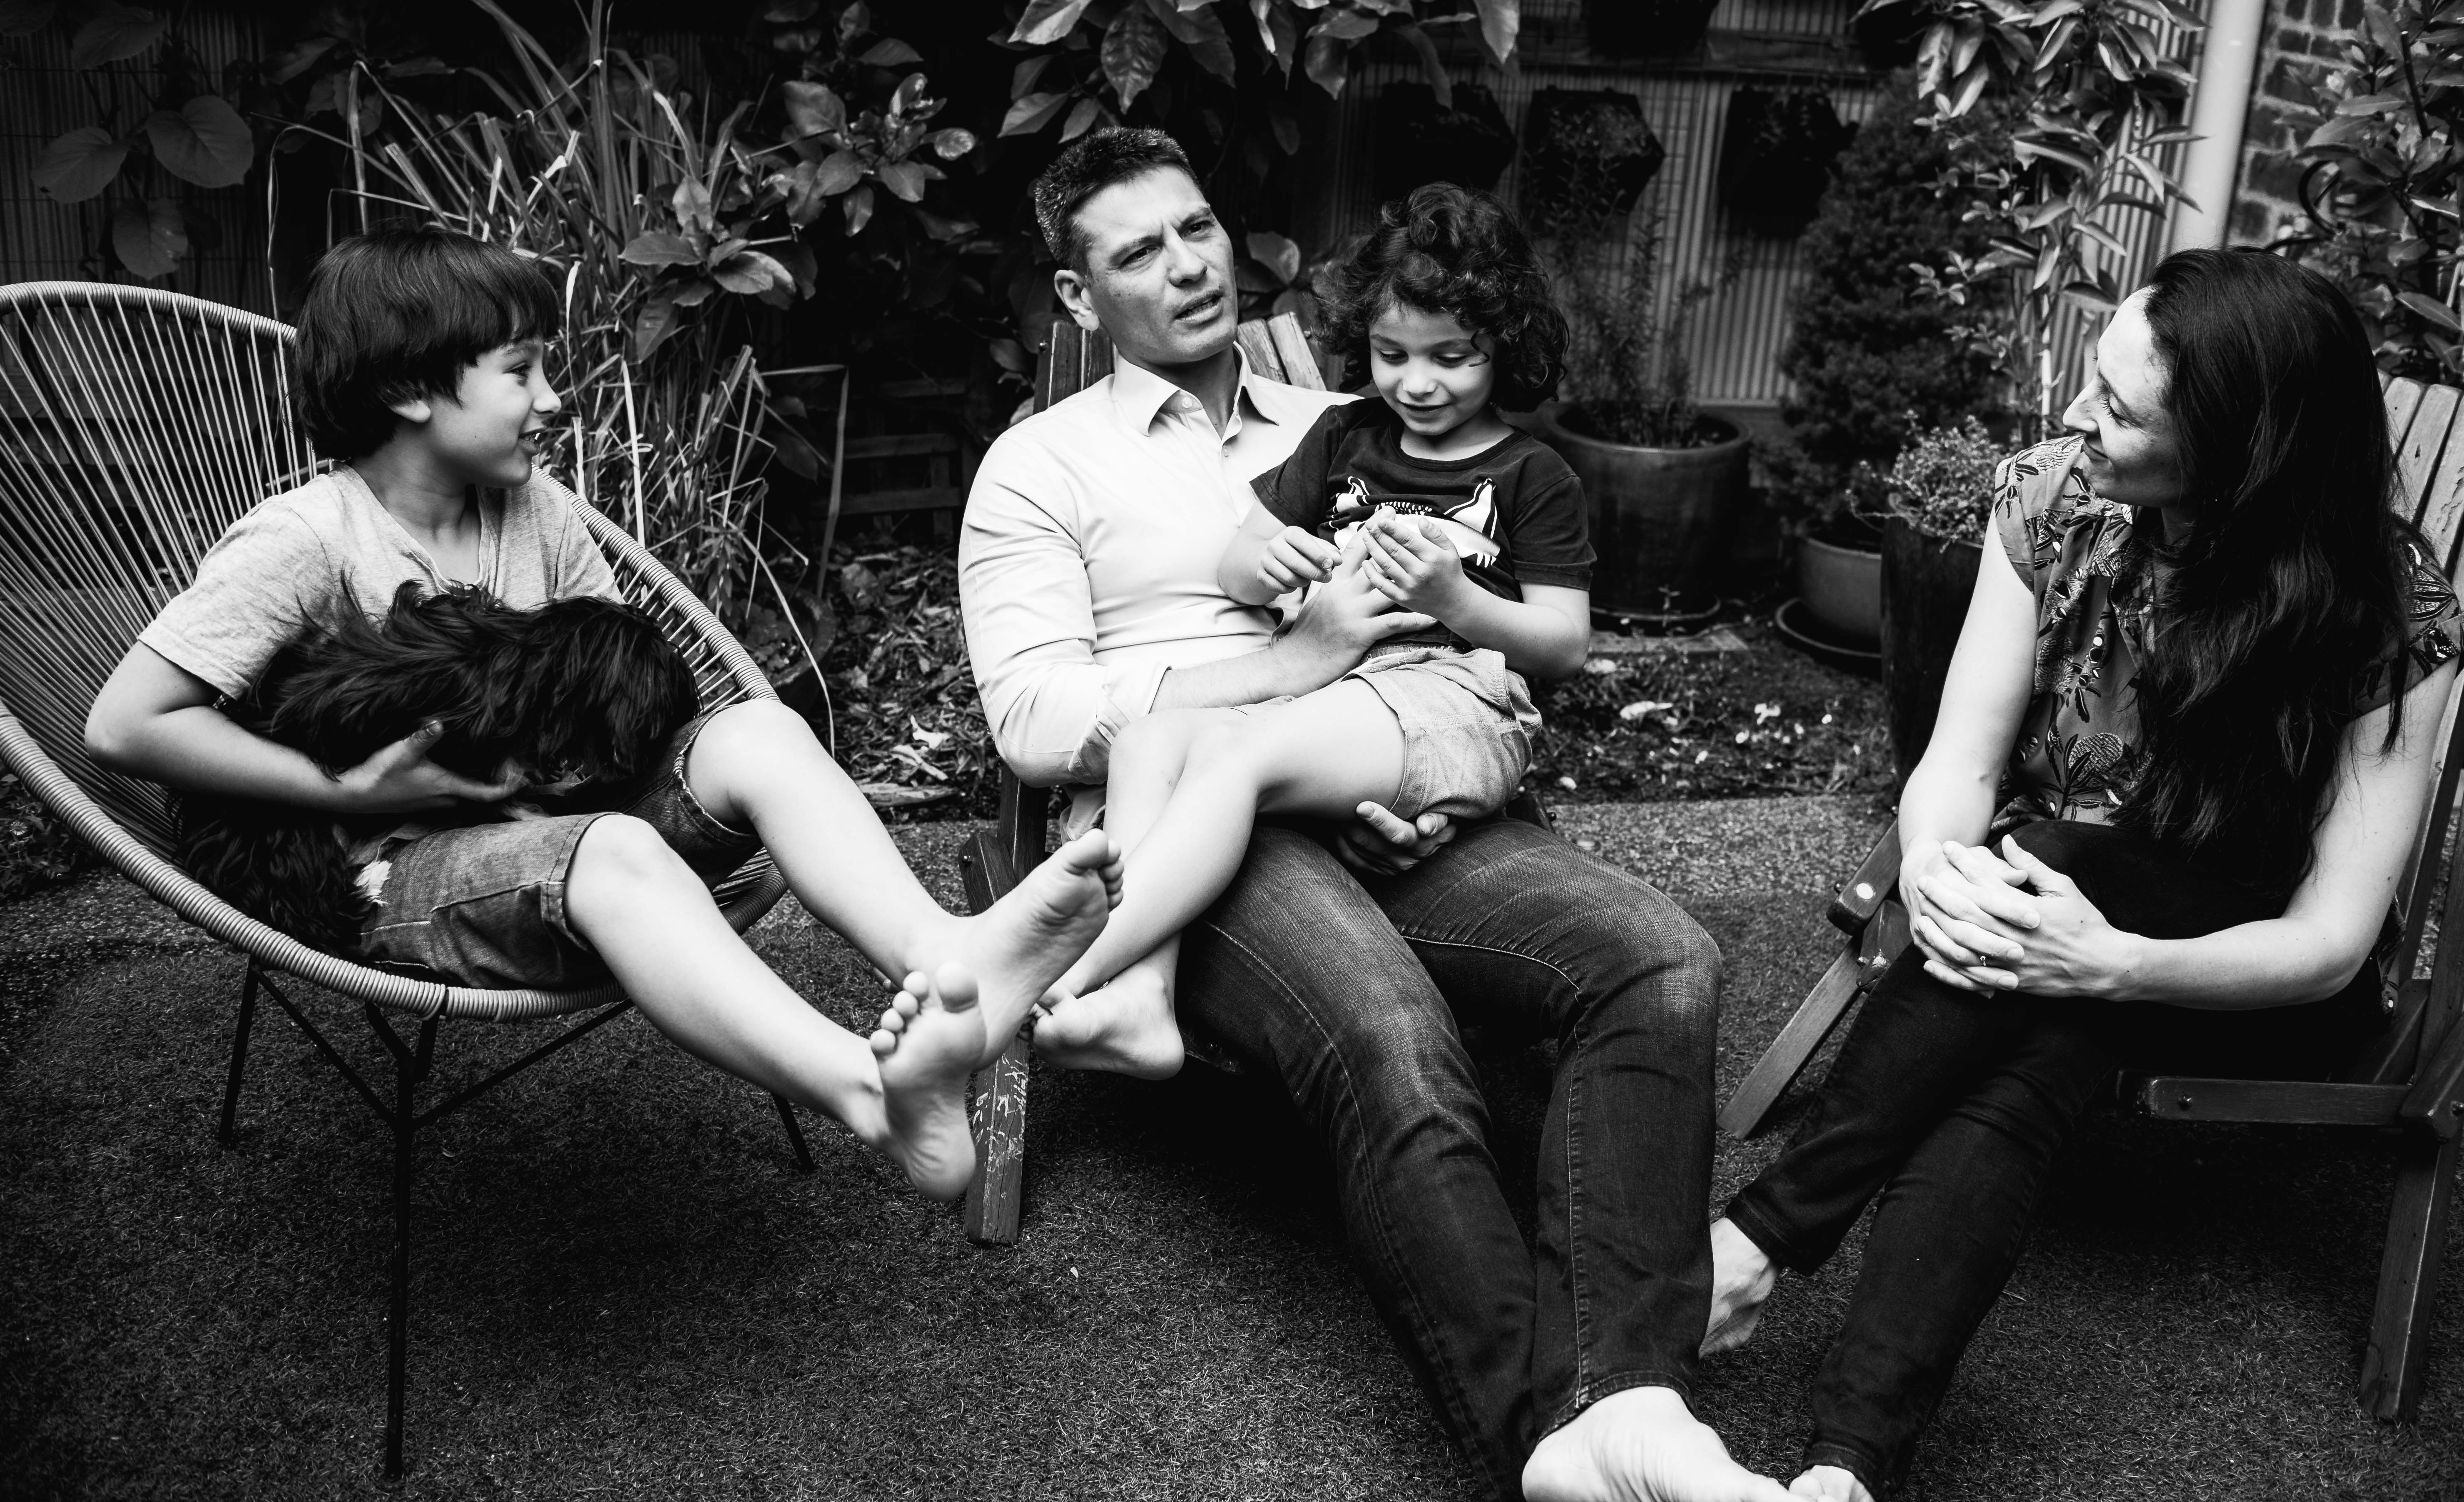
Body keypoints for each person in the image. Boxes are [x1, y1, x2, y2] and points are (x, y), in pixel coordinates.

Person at [960, 128, 1788, 1502]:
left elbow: (1502, 652)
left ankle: (1621, 1398)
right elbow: (1036, 722)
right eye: (1135, 252)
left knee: (1661, 955)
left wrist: (1383, 755)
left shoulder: (1351, 420)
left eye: (1196, 227)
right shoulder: (1038, 469)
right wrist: (1285, 675)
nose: (1185, 267)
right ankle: (1560, 1434)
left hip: (1383, 782)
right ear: (1071, 298)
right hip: (1179, 821)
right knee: (1391, 1033)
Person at [84, 224, 1123, 1203]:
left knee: (758, 731)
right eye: (520, 371)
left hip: (549, 820)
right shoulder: (306, 538)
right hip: (391, 869)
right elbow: (127, 727)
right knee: (618, 850)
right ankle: (871, 1094)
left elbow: (636, 697)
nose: (552, 399)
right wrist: (351, 788)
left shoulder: (532, 509)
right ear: (409, 390)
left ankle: (949, 962)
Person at [1702, 249, 2464, 1501]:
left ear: (2243, 451)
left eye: (2118, 409)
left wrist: (2115, 962)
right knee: (2046, 1010)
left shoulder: (2384, 612)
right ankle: (1845, 1466)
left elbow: (2331, 939)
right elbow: (1958, 760)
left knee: (2056, 902)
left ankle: (1758, 1240)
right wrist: (1945, 871)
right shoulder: (2057, 501)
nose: (2073, 418)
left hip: (2253, 978)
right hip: (2044, 917)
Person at [1025, 182, 1594, 1081]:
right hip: (1328, 695)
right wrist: (1275, 560)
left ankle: (1085, 966)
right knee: (1148, 741)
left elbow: (1564, 648)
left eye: (1452, 357)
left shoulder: (1532, 474)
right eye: (1390, 353)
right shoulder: (1343, 436)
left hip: (1452, 692)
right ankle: (1141, 998)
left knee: (1230, 761)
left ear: (1504, 348)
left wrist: (1456, 597)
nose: (1416, 381)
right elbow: (1238, 558)